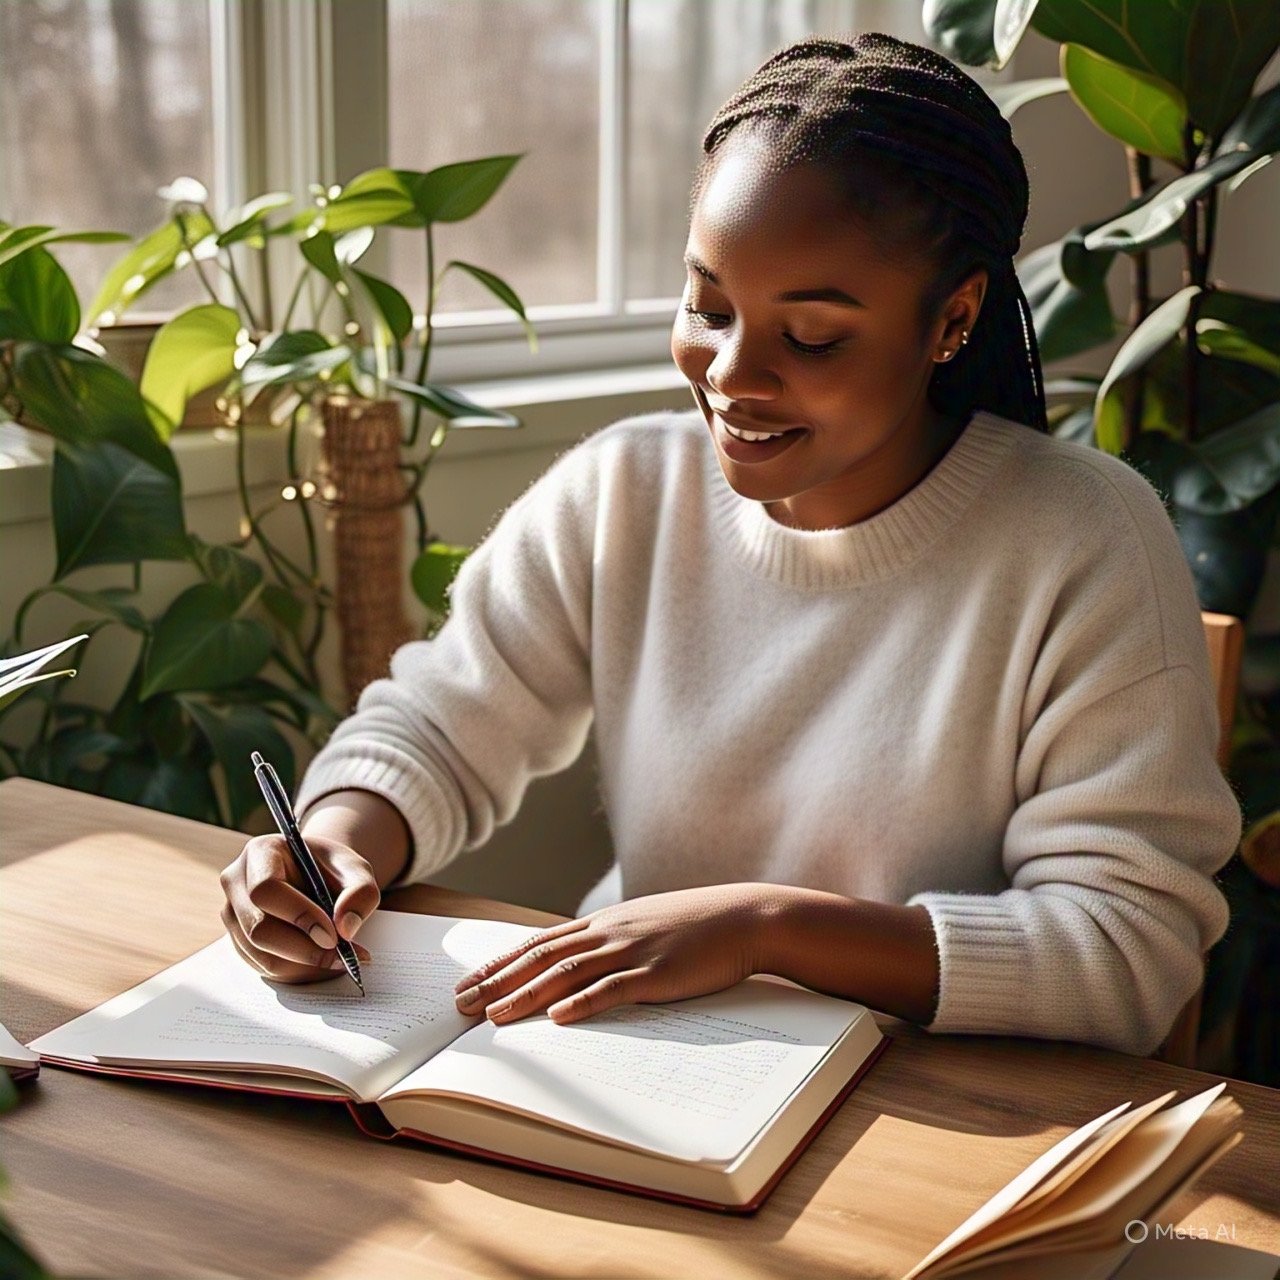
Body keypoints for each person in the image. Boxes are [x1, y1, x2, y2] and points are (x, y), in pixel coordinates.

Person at [218, 33, 1241, 1057]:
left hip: (925, 1108)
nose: (731, 375)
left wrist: (768, 928)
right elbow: (438, 727)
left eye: (811, 336)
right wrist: (332, 841)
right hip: (630, 1061)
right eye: (708, 306)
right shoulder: (625, 490)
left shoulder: (1082, 537)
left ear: (952, 318)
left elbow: (1127, 950)